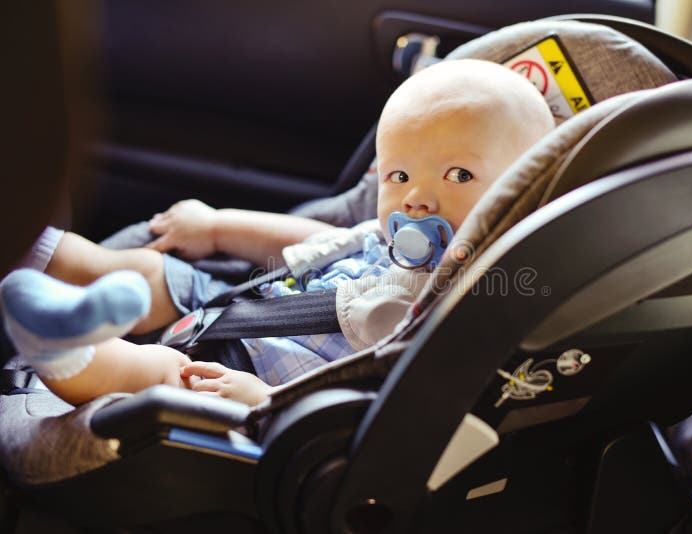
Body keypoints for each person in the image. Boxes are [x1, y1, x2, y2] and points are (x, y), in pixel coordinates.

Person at [0, 59, 555, 407]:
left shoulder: (476, 301)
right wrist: (217, 227)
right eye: (399, 175)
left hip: (260, 374)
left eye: (459, 175)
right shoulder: (382, 240)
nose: (415, 197)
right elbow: (302, 240)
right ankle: (22, 246)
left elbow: (393, 402)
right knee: (149, 270)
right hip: (233, 305)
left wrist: (269, 399)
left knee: (162, 374)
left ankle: (63, 344)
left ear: (526, 196)